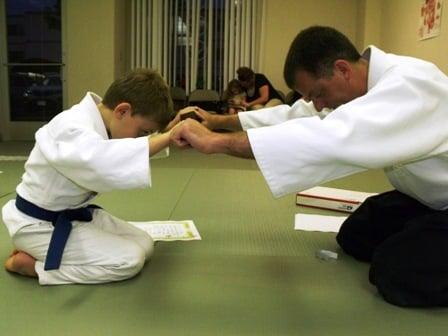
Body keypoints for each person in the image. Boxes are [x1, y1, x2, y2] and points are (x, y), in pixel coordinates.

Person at [170, 26, 448, 307]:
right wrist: (218, 122)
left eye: (318, 94)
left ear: (342, 70)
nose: (318, 104)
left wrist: (217, 143)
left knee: (395, 274)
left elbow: (330, 138)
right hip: (425, 198)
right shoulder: (360, 85)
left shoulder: (410, 86)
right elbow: (297, 115)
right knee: (356, 236)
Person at [2, 69, 174, 285]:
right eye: (142, 132)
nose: (142, 139)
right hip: (38, 225)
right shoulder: (71, 127)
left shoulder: (101, 123)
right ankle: (34, 267)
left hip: (69, 214)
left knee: (144, 243)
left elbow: (115, 153)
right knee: (130, 260)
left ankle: (42, 253)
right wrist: (168, 138)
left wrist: (171, 134)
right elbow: (101, 162)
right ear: (122, 111)